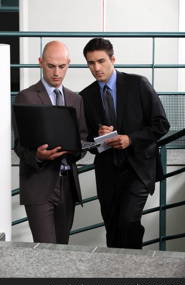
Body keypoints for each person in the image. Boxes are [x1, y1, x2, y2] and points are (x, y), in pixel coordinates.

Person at [80, 38, 170, 249]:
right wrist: (98, 135)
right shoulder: (85, 96)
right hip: (107, 172)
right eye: (91, 63)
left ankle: (133, 273)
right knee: (112, 226)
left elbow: (161, 124)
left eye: (101, 61)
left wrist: (131, 138)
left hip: (138, 168)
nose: (96, 68)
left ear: (113, 59)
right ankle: (115, 275)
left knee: (128, 222)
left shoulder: (138, 84)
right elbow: (85, 139)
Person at [14, 40, 87, 244]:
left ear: (68, 64)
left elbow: (82, 140)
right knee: (46, 250)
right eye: (51, 66)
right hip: (39, 184)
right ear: (40, 62)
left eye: (62, 66)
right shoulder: (25, 97)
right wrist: (38, 156)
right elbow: (19, 145)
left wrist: (76, 148)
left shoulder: (76, 100)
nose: (57, 72)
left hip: (68, 186)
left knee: (62, 248)